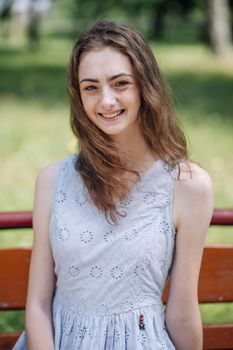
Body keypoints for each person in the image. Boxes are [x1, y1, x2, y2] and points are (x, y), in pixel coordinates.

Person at [13, 20, 213, 350]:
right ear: (78, 95)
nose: (106, 101)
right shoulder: (52, 181)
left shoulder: (188, 187)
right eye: (91, 87)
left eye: (120, 83)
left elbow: (182, 313)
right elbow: (37, 304)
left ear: (145, 86)